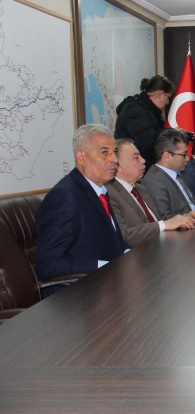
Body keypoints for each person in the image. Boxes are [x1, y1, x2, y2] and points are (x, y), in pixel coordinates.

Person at [36, 124, 129, 294]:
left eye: (114, 152)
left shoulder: (99, 190)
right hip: (81, 295)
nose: (114, 159)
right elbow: (48, 263)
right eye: (104, 152)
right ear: (81, 157)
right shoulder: (63, 196)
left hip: (110, 284)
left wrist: (130, 254)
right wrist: (102, 265)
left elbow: (112, 240)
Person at [107, 138, 195, 246]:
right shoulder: (110, 194)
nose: (143, 160)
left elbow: (161, 219)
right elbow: (124, 235)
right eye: (136, 157)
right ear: (118, 165)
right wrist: (163, 225)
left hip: (163, 245)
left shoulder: (141, 188)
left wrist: (185, 217)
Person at [141, 129, 195, 221]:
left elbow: (191, 208)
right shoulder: (154, 181)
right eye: (184, 155)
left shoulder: (178, 174)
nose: (187, 159)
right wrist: (188, 217)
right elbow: (162, 219)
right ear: (167, 156)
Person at [115, 75, 175, 169]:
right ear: (160, 94)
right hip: (133, 169)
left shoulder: (149, 111)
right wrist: (171, 132)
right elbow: (147, 142)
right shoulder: (135, 110)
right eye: (167, 97)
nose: (167, 102)